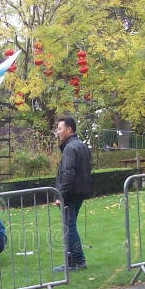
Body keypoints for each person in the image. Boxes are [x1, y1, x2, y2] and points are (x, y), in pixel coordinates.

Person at [53, 115, 92, 272]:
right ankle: (74, 259)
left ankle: (77, 260)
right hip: (80, 192)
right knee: (70, 226)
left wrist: (60, 195)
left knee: (69, 227)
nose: (58, 132)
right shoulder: (81, 146)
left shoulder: (70, 148)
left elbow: (68, 174)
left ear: (69, 129)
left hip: (70, 193)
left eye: (60, 128)